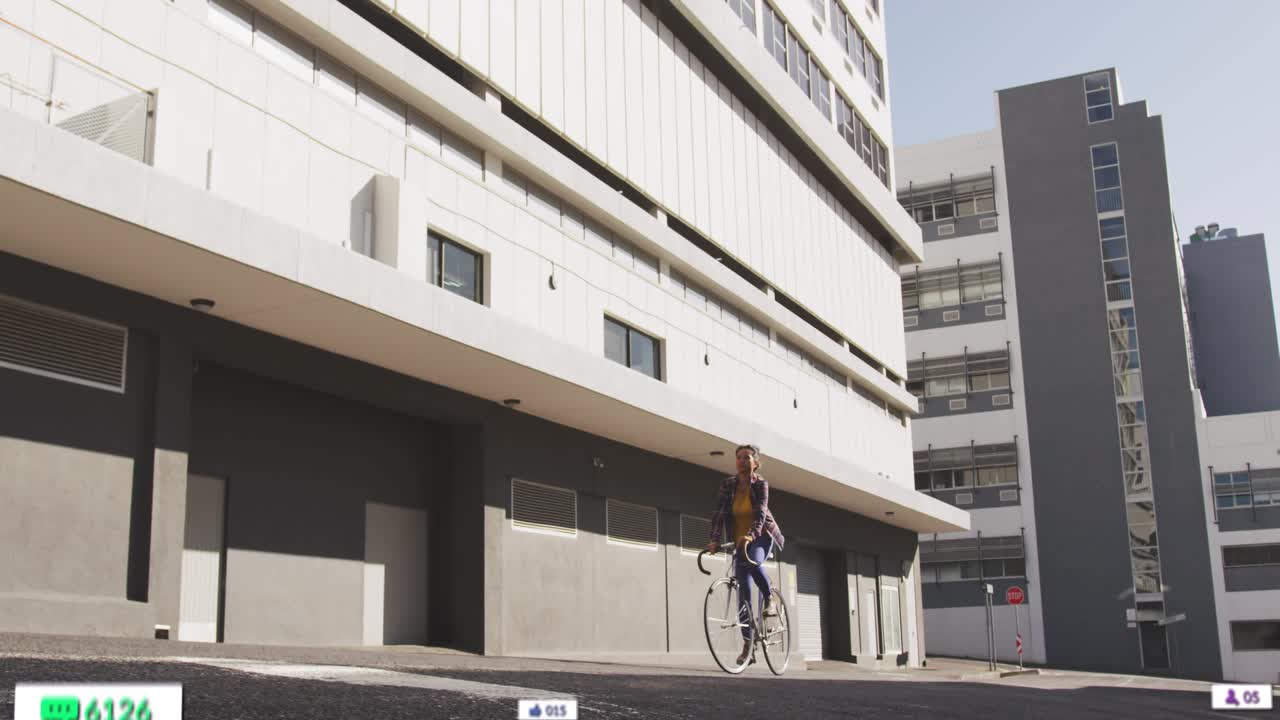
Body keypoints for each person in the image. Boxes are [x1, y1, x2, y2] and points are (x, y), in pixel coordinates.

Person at [706, 443, 786, 665]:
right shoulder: (727, 485)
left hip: (761, 536)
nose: (742, 461)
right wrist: (713, 539)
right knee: (743, 597)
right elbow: (719, 514)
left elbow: (760, 514)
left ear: (755, 462)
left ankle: (769, 598)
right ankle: (748, 645)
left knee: (754, 562)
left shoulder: (761, 484)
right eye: (739, 457)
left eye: (747, 457)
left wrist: (751, 535)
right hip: (738, 541)